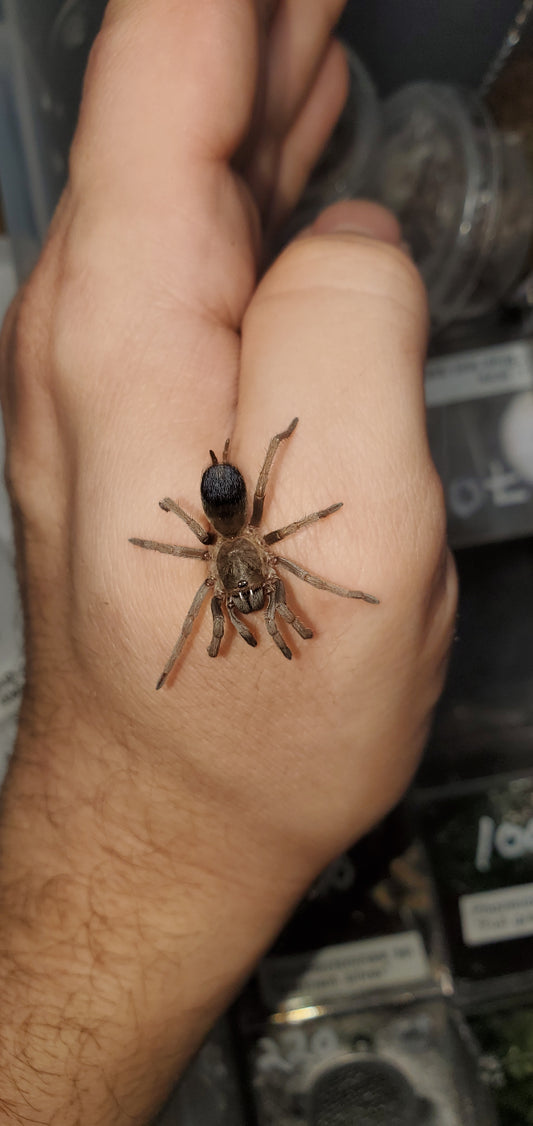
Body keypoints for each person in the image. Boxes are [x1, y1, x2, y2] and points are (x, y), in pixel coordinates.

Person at [0, 1, 457, 1122]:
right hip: (218, 515)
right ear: (227, 545)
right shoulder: (225, 552)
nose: (254, 615)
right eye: (253, 606)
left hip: (224, 514)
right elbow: (210, 586)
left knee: (295, 585)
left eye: (248, 607)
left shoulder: (240, 549)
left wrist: (286, 567)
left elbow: (257, 577)